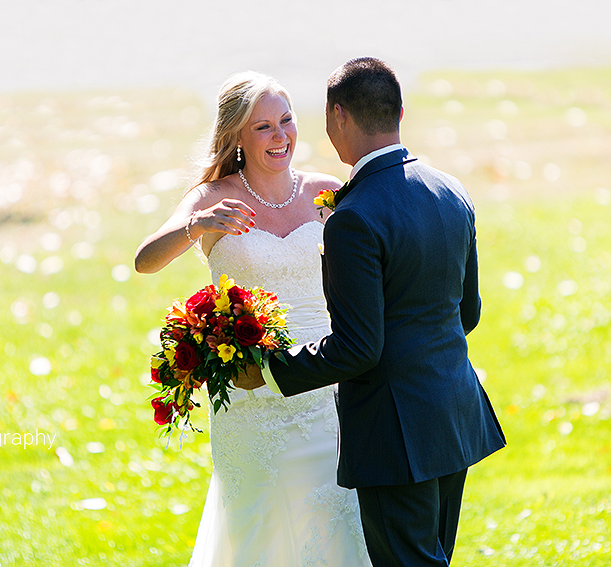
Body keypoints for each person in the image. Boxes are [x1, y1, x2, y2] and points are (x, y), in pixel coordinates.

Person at [236, 58, 506, 566]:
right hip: (454, 413)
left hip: (395, 432)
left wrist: (270, 368)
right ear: (399, 111)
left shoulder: (353, 216)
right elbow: (466, 313)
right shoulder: (451, 190)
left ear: (338, 117)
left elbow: (360, 348)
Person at [135, 71, 372, 567]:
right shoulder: (211, 197)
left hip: (325, 386)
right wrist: (196, 225)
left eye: (286, 121)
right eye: (263, 127)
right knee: (259, 528)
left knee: (333, 520)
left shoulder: (328, 193)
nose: (280, 136)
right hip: (249, 394)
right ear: (237, 137)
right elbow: (146, 260)